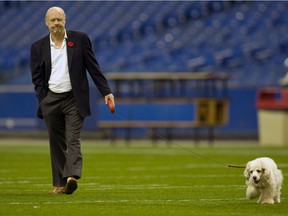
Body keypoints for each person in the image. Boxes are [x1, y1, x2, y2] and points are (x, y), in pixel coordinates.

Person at [30, 6, 115, 195]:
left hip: (74, 98)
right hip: (50, 98)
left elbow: (93, 67)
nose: (56, 23)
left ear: (65, 20)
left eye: (59, 19)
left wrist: (106, 91)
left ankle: (71, 177)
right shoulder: (38, 47)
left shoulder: (80, 39)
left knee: (73, 139)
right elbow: (36, 77)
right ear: (46, 23)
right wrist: (44, 98)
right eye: (52, 20)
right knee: (56, 141)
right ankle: (60, 184)